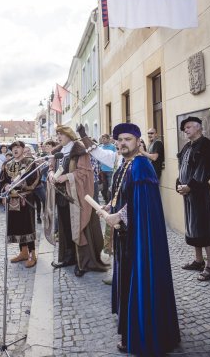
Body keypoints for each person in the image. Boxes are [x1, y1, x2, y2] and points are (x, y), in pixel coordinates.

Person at [77, 123, 180, 355]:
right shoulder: (125, 163)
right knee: (126, 283)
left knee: (138, 282)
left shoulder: (142, 165)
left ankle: (143, 335)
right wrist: (109, 206)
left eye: (127, 139)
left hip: (140, 240)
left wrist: (119, 216)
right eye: (119, 140)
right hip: (126, 236)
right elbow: (123, 195)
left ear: (138, 141)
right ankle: (129, 330)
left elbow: (143, 206)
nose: (122, 143)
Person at [47, 125, 107, 277]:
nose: (58, 137)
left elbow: (85, 172)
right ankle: (69, 258)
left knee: (79, 227)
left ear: (69, 134)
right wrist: (51, 174)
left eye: (61, 134)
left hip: (77, 196)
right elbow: (51, 167)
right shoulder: (57, 152)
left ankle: (84, 262)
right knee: (66, 227)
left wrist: (66, 177)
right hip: (61, 195)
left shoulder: (79, 150)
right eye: (57, 134)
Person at [177, 116, 210, 281]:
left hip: (200, 193)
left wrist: (190, 186)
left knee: (204, 226)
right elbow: (182, 167)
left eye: (188, 127)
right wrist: (179, 184)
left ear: (198, 128)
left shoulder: (206, 145)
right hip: (187, 193)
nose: (186, 130)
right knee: (193, 226)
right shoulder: (188, 146)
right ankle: (198, 260)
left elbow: (205, 170)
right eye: (185, 128)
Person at [0, 140, 40, 268]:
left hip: (25, 198)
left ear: (23, 149)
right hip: (12, 199)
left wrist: (23, 184)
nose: (15, 150)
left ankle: (32, 254)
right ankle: (23, 252)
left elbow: (35, 179)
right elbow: (3, 179)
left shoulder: (30, 162)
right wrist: (5, 186)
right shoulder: (7, 164)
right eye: (13, 148)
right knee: (16, 226)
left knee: (27, 226)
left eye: (18, 147)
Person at [99, 134, 116, 204]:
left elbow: (115, 157)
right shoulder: (100, 147)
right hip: (102, 170)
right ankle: (106, 199)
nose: (103, 140)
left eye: (104, 138)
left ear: (108, 139)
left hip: (110, 170)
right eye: (102, 138)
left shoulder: (113, 147)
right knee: (104, 187)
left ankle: (110, 201)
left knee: (110, 186)